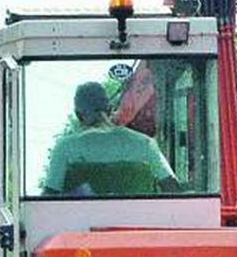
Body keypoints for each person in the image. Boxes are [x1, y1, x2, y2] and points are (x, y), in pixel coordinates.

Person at [43, 81, 178, 196]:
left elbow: (48, 198)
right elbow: (172, 188)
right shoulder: (145, 143)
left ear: (78, 115)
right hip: (138, 223)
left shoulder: (65, 147)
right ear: (110, 109)